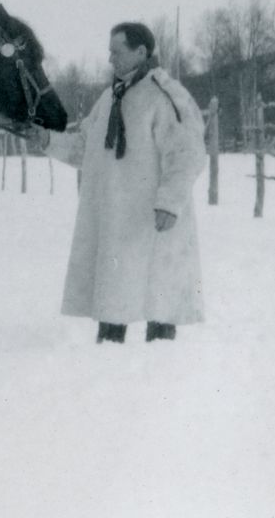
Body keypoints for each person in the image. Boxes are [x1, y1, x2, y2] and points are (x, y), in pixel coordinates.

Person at [35, 22, 207, 344]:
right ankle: (109, 363)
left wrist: (169, 203)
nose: (110, 58)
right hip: (116, 219)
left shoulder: (166, 95)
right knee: (115, 294)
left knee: (159, 296)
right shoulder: (109, 98)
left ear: (140, 52)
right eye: (109, 52)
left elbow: (187, 153)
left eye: (117, 51)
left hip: (153, 219)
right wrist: (47, 140)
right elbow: (85, 147)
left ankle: (162, 368)